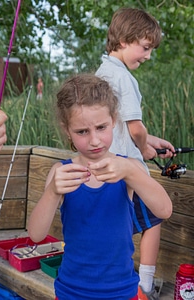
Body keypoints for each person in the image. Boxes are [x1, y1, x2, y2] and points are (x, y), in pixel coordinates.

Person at [28, 74, 172, 300]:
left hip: (122, 291)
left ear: (114, 120)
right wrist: (52, 191)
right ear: (67, 130)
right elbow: (36, 235)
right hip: (71, 291)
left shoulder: (129, 168)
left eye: (101, 127)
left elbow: (164, 210)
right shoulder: (61, 172)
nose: (94, 140)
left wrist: (132, 171)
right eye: (82, 132)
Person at [95, 7, 175, 300]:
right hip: (127, 169)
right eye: (145, 47)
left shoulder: (101, 74)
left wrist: (153, 142)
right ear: (126, 39)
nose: (148, 55)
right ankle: (145, 284)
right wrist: (143, 146)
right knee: (155, 217)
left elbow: (119, 129)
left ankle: (115, 279)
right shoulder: (125, 79)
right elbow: (135, 129)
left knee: (116, 226)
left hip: (105, 166)